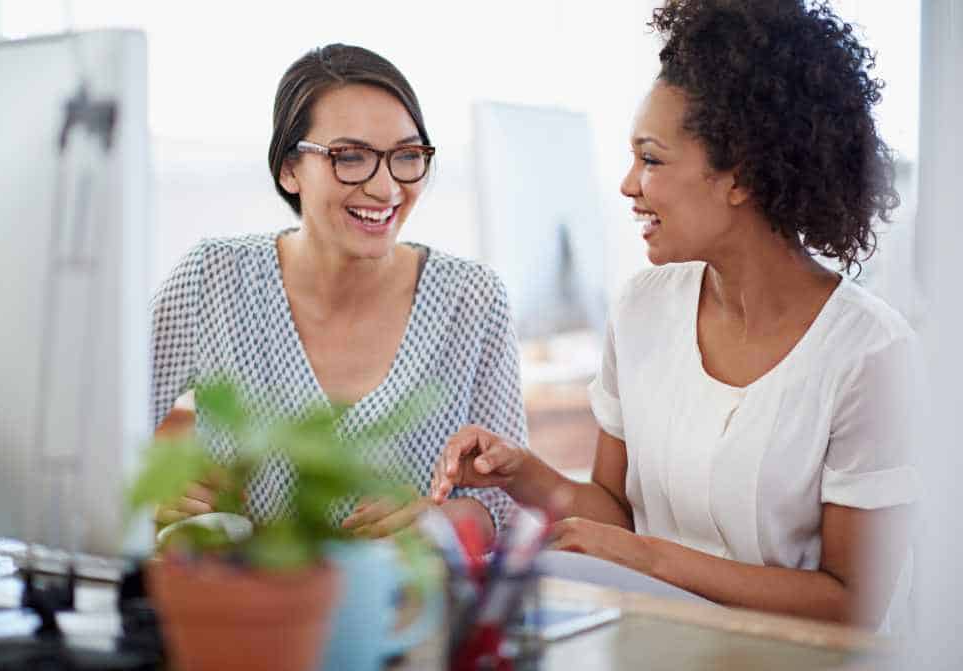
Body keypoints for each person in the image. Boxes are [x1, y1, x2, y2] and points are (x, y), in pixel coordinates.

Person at [431, 0, 920, 629]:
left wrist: (644, 556)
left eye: (652, 159)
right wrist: (522, 474)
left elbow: (852, 603)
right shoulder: (642, 307)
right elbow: (614, 513)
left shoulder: (869, 354)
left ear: (739, 175)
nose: (628, 184)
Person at [150, 44, 526, 543]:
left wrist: (447, 522)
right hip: (246, 605)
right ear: (289, 168)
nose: (386, 187)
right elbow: (96, 444)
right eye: (350, 157)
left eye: (407, 157)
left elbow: (507, 499)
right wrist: (154, 492)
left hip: (408, 610)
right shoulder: (211, 279)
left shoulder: (472, 299)